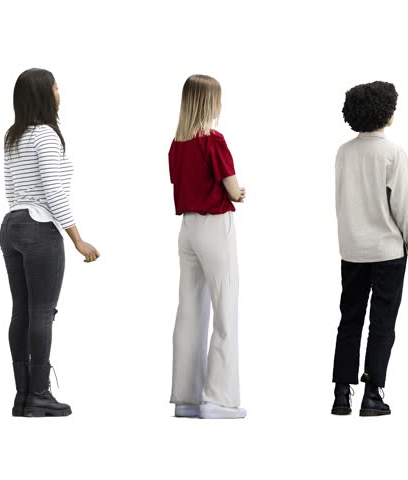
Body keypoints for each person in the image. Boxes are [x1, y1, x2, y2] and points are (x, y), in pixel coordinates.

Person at [1, 68, 100, 417]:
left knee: (22, 312)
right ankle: (40, 394)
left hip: (11, 224)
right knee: (42, 313)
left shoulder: (13, 135)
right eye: (57, 87)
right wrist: (77, 239)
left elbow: (12, 189)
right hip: (39, 227)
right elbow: (54, 192)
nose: (60, 92)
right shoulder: (45, 135)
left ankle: (23, 395)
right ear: (45, 95)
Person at [331, 81, 408, 417]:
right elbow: (403, 205)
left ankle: (341, 394)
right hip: (386, 251)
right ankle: (372, 394)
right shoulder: (392, 153)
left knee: (349, 319)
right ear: (386, 113)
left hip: (352, 249)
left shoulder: (344, 152)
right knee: (382, 322)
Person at [168, 74, 247, 419]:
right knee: (225, 307)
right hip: (215, 226)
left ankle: (186, 398)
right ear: (208, 102)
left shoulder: (177, 144)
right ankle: (219, 398)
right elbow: (232, 189)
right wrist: (239, 192)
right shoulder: (213, 140)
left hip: (187, 228)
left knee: (190, 310)